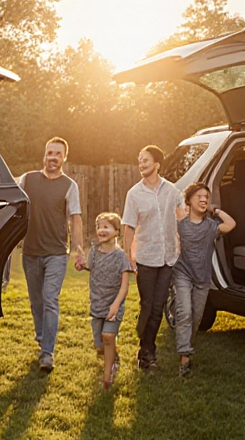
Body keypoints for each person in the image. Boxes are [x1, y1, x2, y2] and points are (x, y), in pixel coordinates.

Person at [17, 137, 85, 373]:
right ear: (44, 155)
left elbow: (76, 218)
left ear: (64, 158)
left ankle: (47, 352)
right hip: (31, 252)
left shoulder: (69, 186)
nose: (53, 157)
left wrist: (78, 249)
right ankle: (41, 337)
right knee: (36, 301)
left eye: (58, 154)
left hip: (56, 253)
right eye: (49, 153)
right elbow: (10, 201)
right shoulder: (27, 179)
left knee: (50, 298)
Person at [121, 144, 183, 371]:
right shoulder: (134, 194)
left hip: (168, 257)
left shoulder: (172, 191)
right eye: (139, 160)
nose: (141, 164)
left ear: (157, 164)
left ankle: (147, 349)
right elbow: (128, 226)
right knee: (148, 304)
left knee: (159, 306)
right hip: (146, 257)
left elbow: (182, 217)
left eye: (145, 160)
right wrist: (129, 256)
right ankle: (147, 351)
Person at [172, 183, 236, 376]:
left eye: (206, 197)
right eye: (199, 196)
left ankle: (186, 343)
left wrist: (215, 210)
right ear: (189, 200)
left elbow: (231, 224)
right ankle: (184, 356)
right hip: (182, 273)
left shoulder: (211, 227)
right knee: (184, 312)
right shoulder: (180, 227)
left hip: (202, 277)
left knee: (196, 317)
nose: (203, 200)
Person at [85, 212, 131, 389]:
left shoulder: (121, 257)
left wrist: (116, 304)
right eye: (99, 227)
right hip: (97, 305)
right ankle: (113, 356)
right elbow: (90, 269)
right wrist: (81, 266)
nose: (101, 230)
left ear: (116, 231)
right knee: (100, 345)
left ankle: (107, 378)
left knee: (108, 336)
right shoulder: (94, 253)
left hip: (114, 306)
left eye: (106, 227)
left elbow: (124, 286)